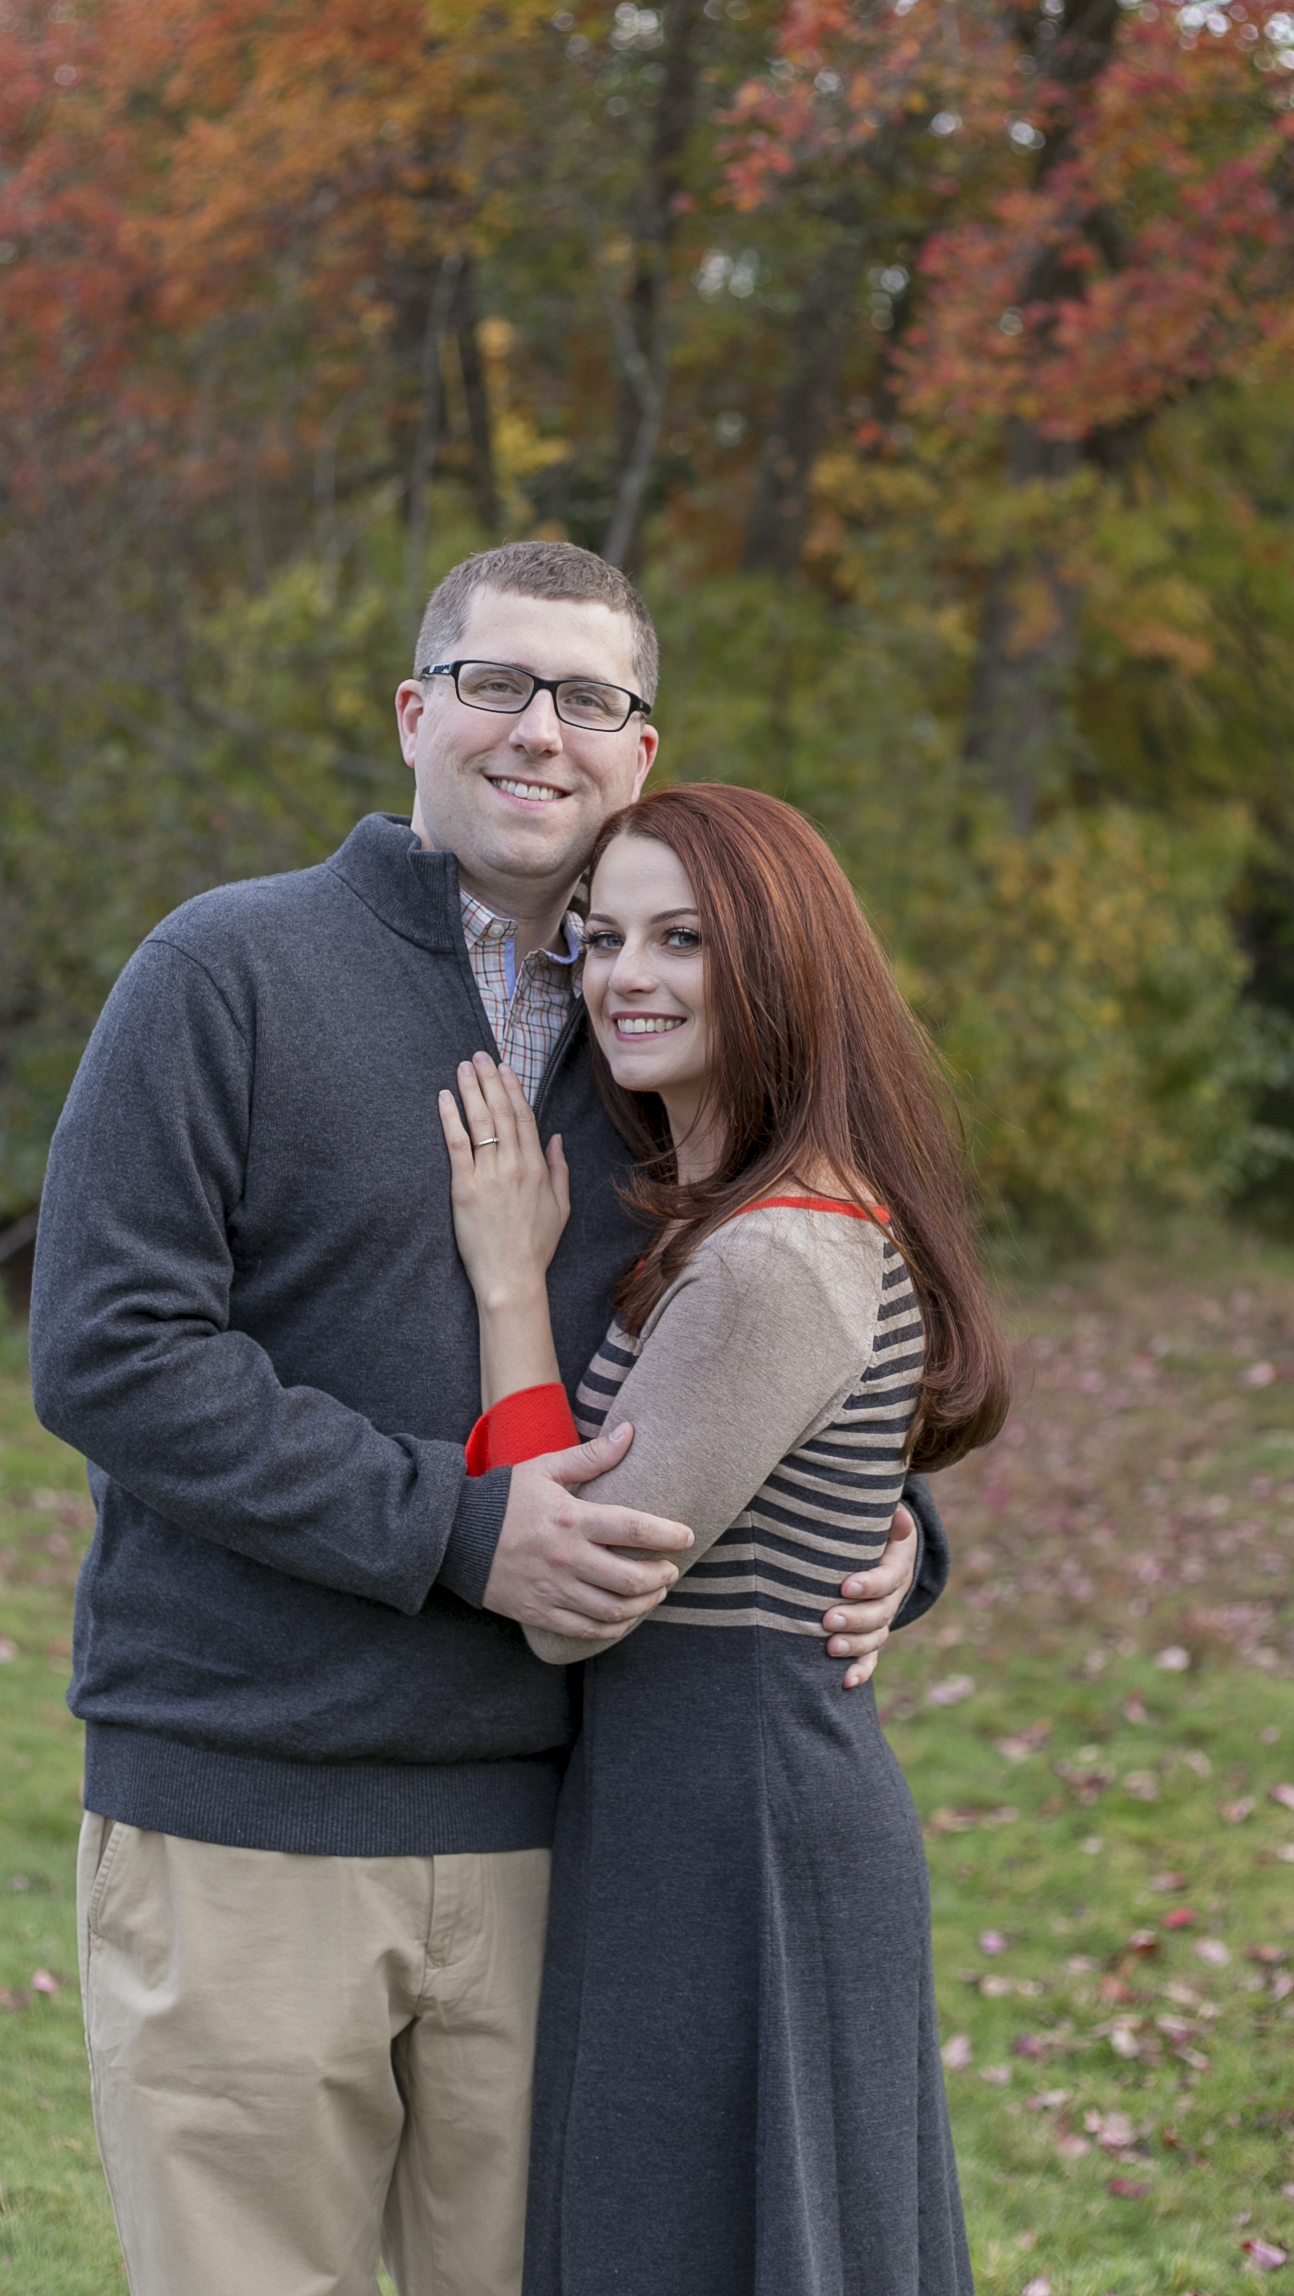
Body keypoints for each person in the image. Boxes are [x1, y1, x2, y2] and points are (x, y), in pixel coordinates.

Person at [30, 541, 949, 2296]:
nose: (543, 731)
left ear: (642, 750)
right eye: (499, 683)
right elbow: (113, 1352)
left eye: (591, 697)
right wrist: (459, 1528)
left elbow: (794, 1303)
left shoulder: (663, 1030)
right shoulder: (225, 970)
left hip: (566, 1848)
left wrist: (886, 1542)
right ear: (414, 713)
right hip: (251, 1807)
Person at [437, 780, 1013, 2296]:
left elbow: (573, 1599)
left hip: (739, 1825)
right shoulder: (735, 1223)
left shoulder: (771, 1259)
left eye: (682, 939)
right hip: (692, 1802)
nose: (628, 977)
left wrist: (509, 1287)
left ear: (775, 963)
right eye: (604, 939)